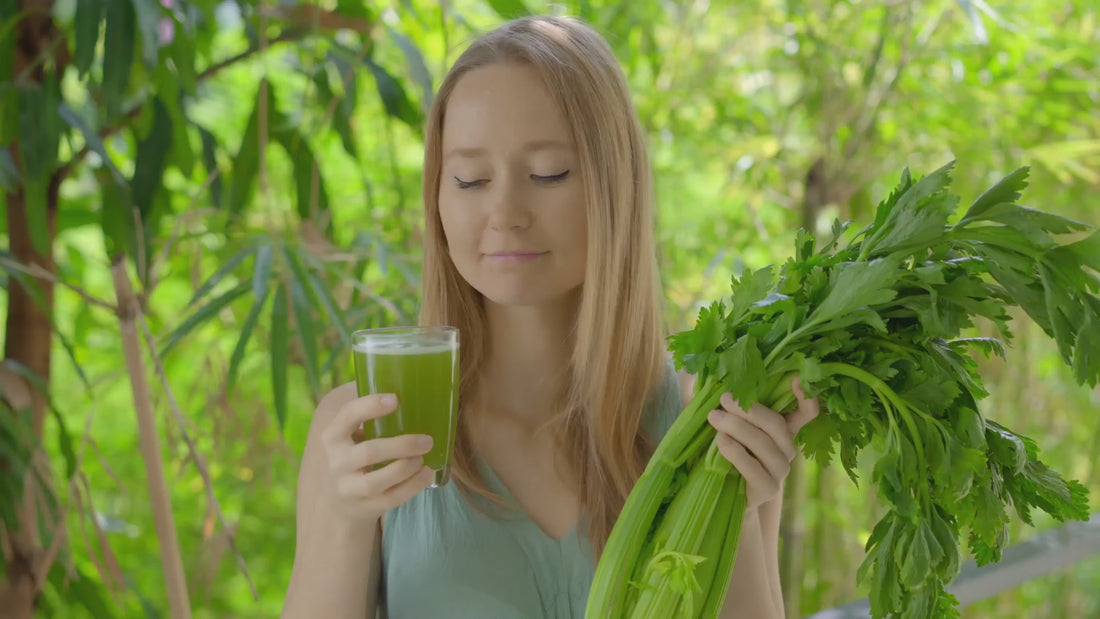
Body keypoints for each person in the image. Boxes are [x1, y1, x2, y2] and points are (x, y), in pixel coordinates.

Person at [282, 14, 819, 619]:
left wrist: (732, 510)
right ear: (438, 197)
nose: (505, 212)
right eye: (470, 178)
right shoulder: (364, 433)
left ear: (616, 187)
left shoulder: (711, 414)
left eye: (547, 174)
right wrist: (346, 520)